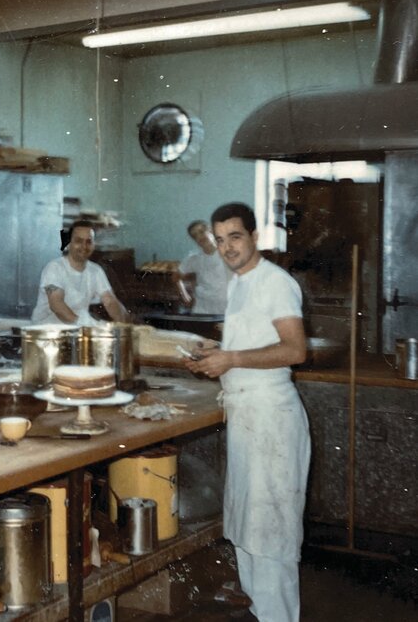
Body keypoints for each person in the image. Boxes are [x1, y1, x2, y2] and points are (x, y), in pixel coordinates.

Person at [184, 202, 309, 622]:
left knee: (271, 536)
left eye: (235, 237)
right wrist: (216, 354)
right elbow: (253, 341)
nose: (227, 248)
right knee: (247, 533)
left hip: (272, 418)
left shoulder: (276, 283)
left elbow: (295, 349)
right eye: (220, 241)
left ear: (254, 237)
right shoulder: (238, 283)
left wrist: (232, 358)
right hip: (246, 418)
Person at [31, 220, 130, 325]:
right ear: (68, 244)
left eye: (89, 241)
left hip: (78, 329)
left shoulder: (95, 271)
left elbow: (110, 301)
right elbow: (57, 305)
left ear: (94, 245)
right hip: (47, 330)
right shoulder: (54, 268)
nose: (84, 246)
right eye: (78, 241)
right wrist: (85, 325)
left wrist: (126, 325)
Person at [173, 219, 231, 314]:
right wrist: (185, 296)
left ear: (211, 231)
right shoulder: (194, 258)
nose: (200, 236)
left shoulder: (228, 253)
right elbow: (175, 277)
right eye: (195, 235)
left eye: (201, 231)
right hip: (203, 309)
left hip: (226, 308)